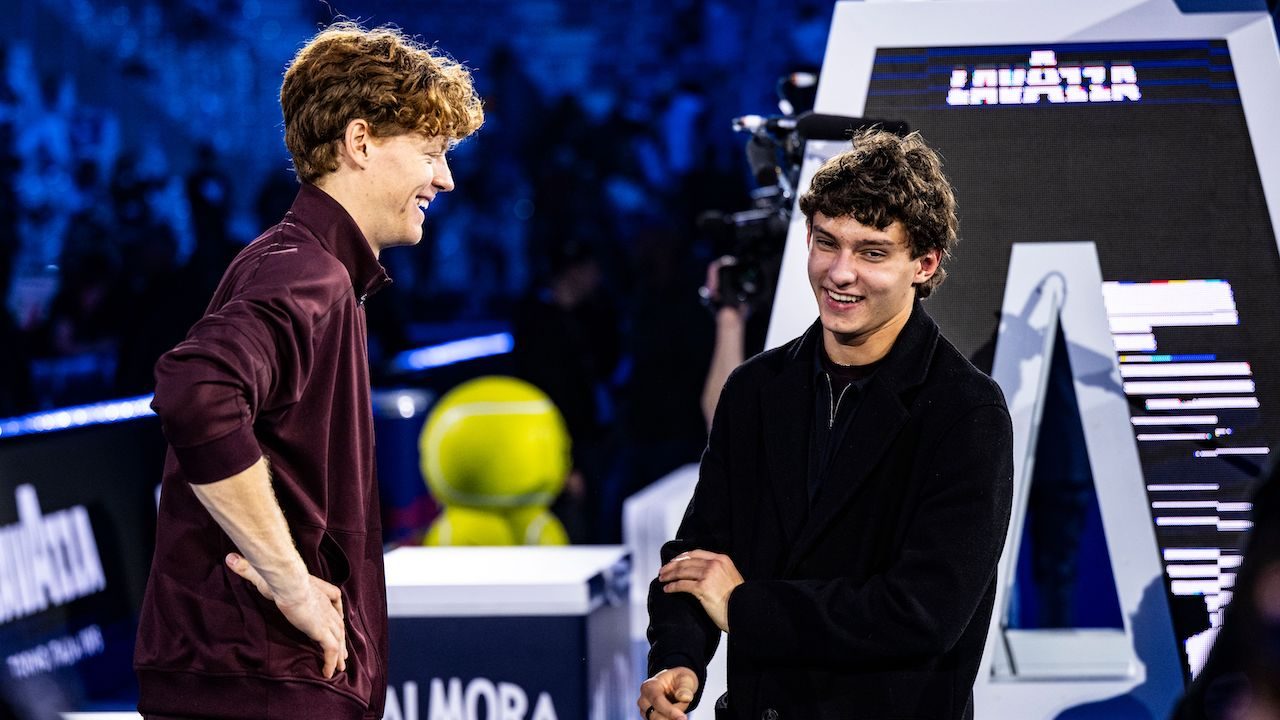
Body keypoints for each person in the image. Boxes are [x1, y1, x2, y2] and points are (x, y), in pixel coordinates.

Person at [133, 23, 482, 720]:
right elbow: (197, 393)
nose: (444, 178)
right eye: (430, 152)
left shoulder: (298, 263)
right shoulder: (307, 273)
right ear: (360, 143)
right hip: (263, 678)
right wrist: (289, 579)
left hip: (255, 672)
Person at [639, 128, 1014, 720]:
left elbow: (923, 613)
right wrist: (679, 658)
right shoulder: (755, 390)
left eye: (871, 252)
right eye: (825, 243)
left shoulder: (966, 413)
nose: (840, 273)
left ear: (924, 263)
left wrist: (745, 607)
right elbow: (699, 554)